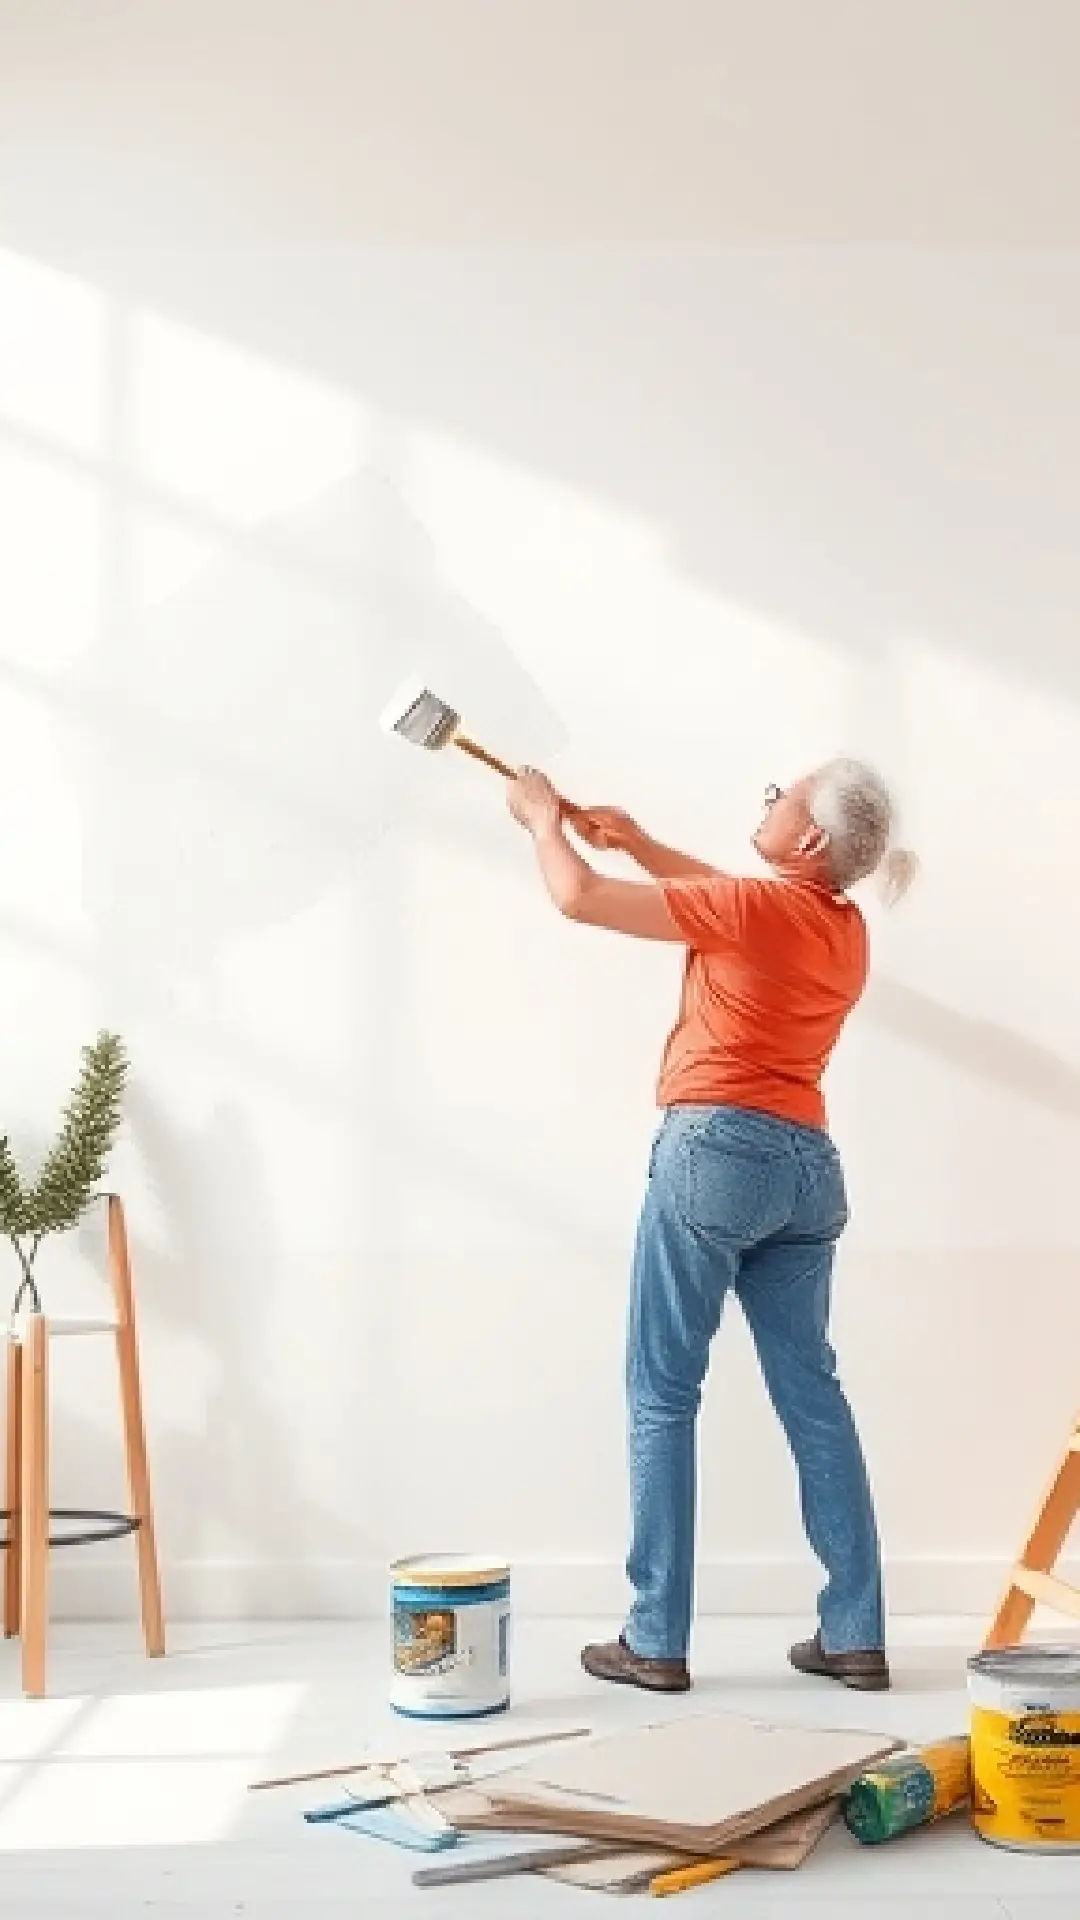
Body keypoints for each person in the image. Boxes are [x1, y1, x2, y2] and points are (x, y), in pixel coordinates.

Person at [505, 760, 917, 1696]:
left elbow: (578, 899)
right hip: (807, 1170)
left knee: (661, 1393)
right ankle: (855, 1633)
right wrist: (643, 842)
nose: (767, 798)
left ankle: (655, 1639)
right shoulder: (843, 928)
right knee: (815, 1397)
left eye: (783, 796)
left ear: (808, 840)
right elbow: (729, 904)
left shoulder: (755, 911)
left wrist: (541, 822)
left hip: (716, 1152)